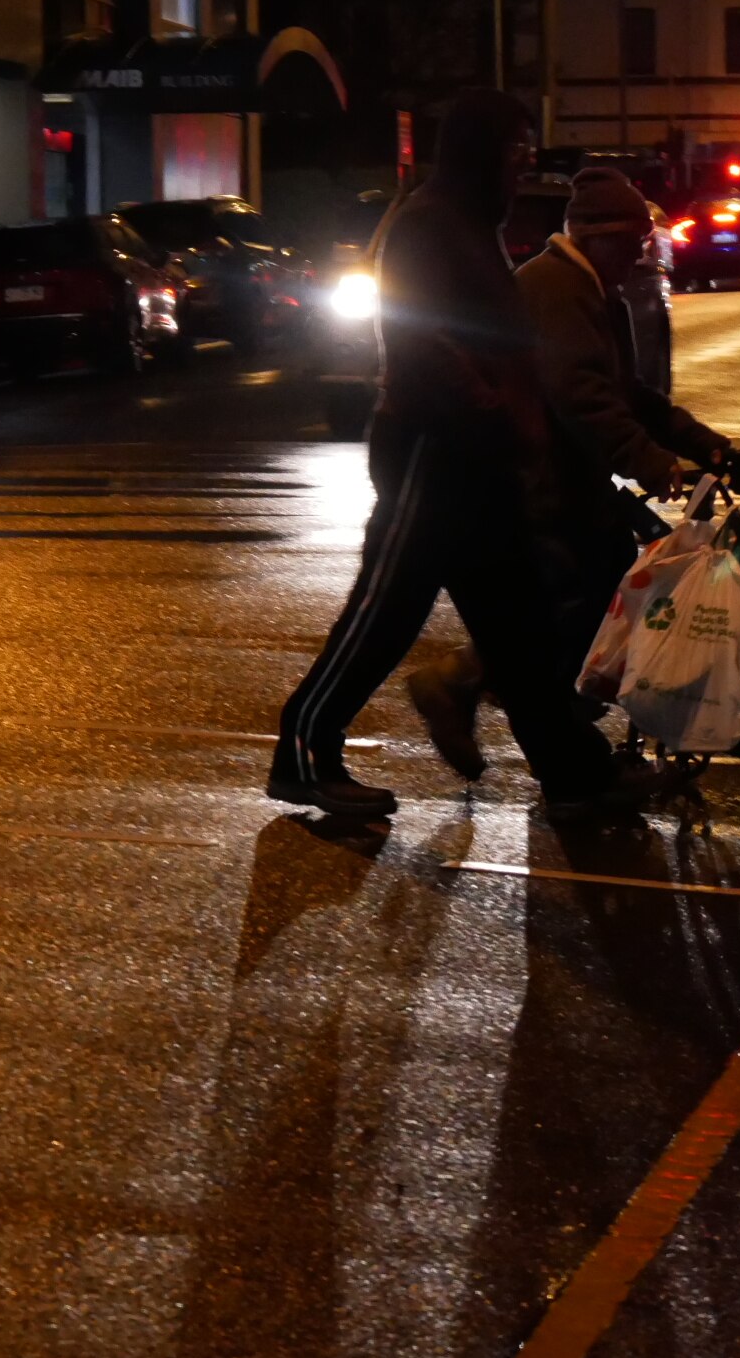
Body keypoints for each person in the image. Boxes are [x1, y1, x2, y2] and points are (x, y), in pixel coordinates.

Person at [271, 94, 666, 822]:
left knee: (519, 629)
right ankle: (304, 751)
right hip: (434, 448)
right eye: (513, 148)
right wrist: (485, 399)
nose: (521, 162)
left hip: (481, 457)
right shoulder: (428, 222)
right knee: (383, 614)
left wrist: (514, 427)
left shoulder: (471, 224)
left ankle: (573, 774)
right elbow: (424, 335)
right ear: (478, 149)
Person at [406, 166, 740, 780]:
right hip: (535, 478)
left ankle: (480, 690)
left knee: (584, 593)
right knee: (580, 596)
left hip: (565, 477)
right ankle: (534, 718)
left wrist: (710, 447)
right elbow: (580, 393)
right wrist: (648, 460)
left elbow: (630, 392)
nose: (642, 254)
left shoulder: (593, 288)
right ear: (597, 238)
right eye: (633, 243)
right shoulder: (560, 289)